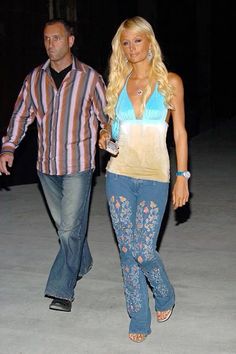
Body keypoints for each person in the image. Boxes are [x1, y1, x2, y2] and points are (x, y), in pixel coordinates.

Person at [0, 18, 108, 312]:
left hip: (77, 165)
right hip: (46, 167)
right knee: (66, 228)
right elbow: (21, 116)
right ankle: (82, 261)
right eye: (47, 39)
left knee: (70, 227)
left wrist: (112, 143)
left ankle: (62, 289)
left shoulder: (90, 78)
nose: (50, 44)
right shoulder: (34, 78)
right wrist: (8, 147)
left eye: (57, 38)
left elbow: (106, 118)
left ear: (70, 41)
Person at [99, 16, 190, 342]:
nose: (132, 48)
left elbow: (179, 134)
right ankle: (138, 314)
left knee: (143, 249)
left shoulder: (171, 82)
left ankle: (163, 290)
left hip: (155, 177)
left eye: (137, 40)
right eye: (125, 42)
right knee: (127, 250)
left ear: (149, 42)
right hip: (119, 175)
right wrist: (105, 137)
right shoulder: (117, 84)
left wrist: (182, 175)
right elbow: (114, 136)